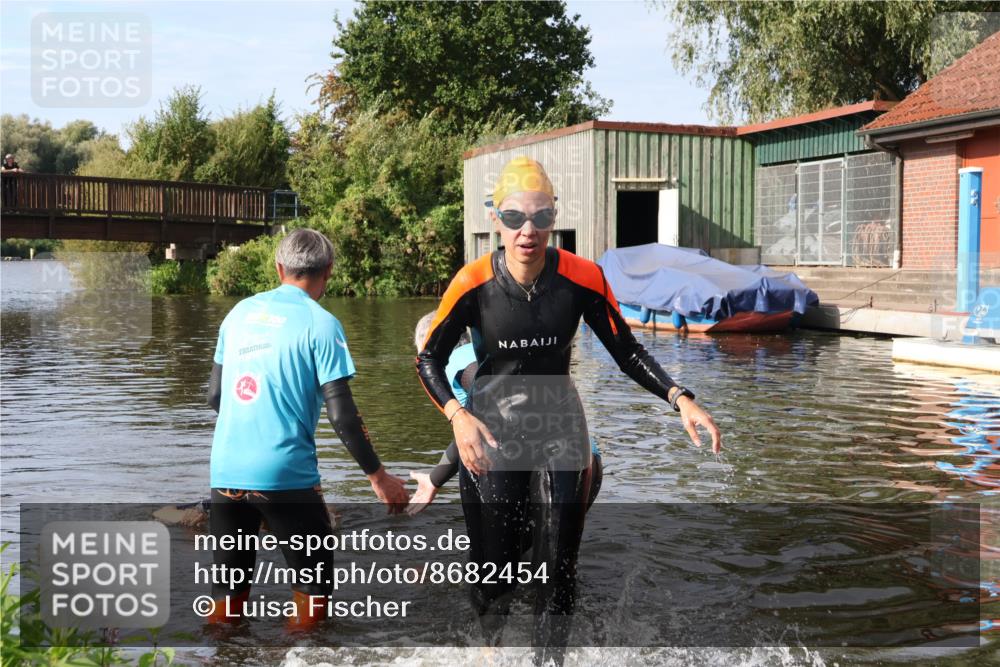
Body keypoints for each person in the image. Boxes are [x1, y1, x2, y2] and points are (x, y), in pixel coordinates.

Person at [415, 156, 721, 664]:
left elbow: (627, 351)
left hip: (561, 426)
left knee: (559, 567)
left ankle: (549, 661)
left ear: (554, 216)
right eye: (514, 218)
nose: (527, 231)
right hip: (492, 432)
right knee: (497, 569)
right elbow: (429, 358)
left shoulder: (582, 277)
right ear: (496, 220)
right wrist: (457, 415)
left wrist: (680, 397)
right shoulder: (471, 284)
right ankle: (488, 652)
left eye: (540, 217)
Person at [206, 228, 409, 632]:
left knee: (227, 596)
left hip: (225, 474)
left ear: (279, 267)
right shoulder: (322, 323)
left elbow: (215, 396)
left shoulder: (238, 313)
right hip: (286, 477)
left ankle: (221, 657)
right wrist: (379, 476)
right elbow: (343, 415)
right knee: (311, 596)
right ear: (327, 272)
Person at [408, 311, 603, 515]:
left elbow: (494, 410)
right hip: (585, 458)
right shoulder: (490, 352)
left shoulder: (455, 362)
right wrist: (435, 477)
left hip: (552, 464)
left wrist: (435, 479)